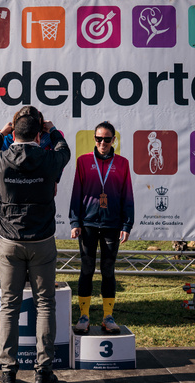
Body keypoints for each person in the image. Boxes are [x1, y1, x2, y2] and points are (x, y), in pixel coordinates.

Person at [0, 109, 70, 383]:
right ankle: (43, 373)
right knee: (45, 304)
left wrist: (2, 132)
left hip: (10, 242)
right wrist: (52, 130)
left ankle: (8, 373)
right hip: (42, 241)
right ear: (38, 135)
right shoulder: (49, 158)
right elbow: (64, 149)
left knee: (10, 306)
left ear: (14, 133)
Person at [69, 121, 134, 335]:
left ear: (114, 140)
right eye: (99, 139)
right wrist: (75, 222)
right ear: (94, 139)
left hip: (112, 224)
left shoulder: (122, 163)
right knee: (86, 269)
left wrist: (127, 224)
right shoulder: (83, 161)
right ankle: (84, 316)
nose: (102, 143)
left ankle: (108, 317)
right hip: (87, 224)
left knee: (108, 270)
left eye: (107, 139)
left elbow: (127, 195)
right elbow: (77, 192)